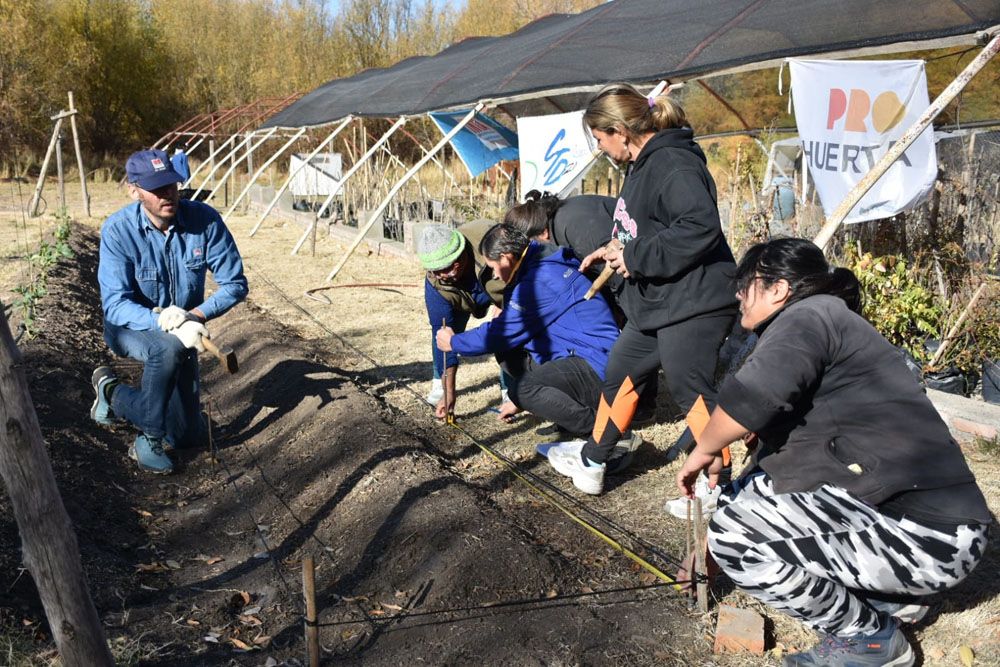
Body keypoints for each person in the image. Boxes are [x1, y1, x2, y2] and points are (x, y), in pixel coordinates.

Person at [676, 238, 991, 667]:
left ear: (777, 289)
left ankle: (869, 639)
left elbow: (751, 398)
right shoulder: (825, 319)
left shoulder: (808, 316)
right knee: (745, 501)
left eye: (745, 284)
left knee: (734, 536)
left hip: (931, 538)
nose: (738, 295)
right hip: (927, 528)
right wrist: (706, 551)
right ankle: (887, 599)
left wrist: (705, 448)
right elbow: (767, 472)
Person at [546, 83, 738, 496]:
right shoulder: (642, 165)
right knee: (621, 371)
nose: (600, 148)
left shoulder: (673, 163)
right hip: (659, 299)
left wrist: (634, 256)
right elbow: (647, 228)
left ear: (620, 131)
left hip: (695, 300)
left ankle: (719, 487)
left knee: (690, 388)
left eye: (600, 139)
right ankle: (593, 461)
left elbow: (699, 227)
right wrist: (614, 248)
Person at [91, 149, 248, 474]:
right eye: (156, 188)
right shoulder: (118, 231)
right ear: (134, 190)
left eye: (171, 185)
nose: (167, 194)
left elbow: (235, 284)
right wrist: (161, 319)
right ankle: (148, 439)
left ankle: (110, 391)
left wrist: (194, 316)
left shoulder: (204, 221)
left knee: (187, 436)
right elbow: (115, 304)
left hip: (183, 329)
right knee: (166, 347)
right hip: (130, 326)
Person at [436, 225, 637, 465]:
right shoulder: (542, 264)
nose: (495, 276)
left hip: (600, 366)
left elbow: (501, 333)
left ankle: (611, 435)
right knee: (511, 357)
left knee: (524, 389)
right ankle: (571, 416)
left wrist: (454, 342)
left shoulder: (540, 279)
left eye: (493, 267)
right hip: (585, 355)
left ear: (506, 257)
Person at [419, 221, 505, 419]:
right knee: (444, 336)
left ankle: (509, 389)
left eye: (446, 269)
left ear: (459, 257)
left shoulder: (491, 244)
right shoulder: (437, 283)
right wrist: (449, 393)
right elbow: (442, 334)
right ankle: (440, 384)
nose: (441, 276)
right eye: (434, 271)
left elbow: (517, 275)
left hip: (494, 284)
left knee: (505, 333)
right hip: (460, 298)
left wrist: (504, 304)